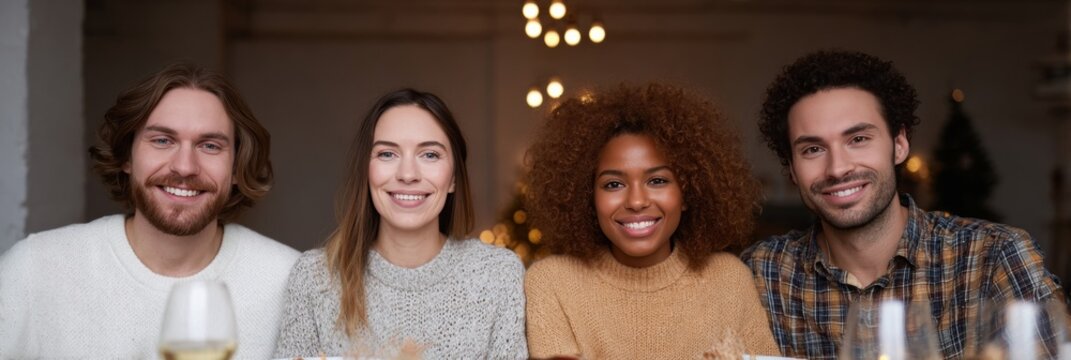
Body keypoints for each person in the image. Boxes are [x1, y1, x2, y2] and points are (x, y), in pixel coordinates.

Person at [741, 49, 1067, 359]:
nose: (838, 168)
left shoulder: (994, 256)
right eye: (813, 149)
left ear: (899, 145)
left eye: (858, 139)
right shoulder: (761, 274)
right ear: (791, 170)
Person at [0, 63, 299, 359]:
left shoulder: (291, 281)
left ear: (237, 166)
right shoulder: (34, 268)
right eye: (162, 140)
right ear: (126, 157)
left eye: (209, 146)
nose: (185, 167)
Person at [524, 83, 780, 359]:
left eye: (657, 181)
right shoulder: (553, 282)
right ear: (588, 197)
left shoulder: (729, 280)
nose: (636, 201)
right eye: (613, 184)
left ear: (688, 192)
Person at [272, 89, 527, 359]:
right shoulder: (315, 277)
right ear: (366, 171)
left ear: (453, 178)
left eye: (429, 155)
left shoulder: (497, 276)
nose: (407, 174)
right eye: (387, 154)